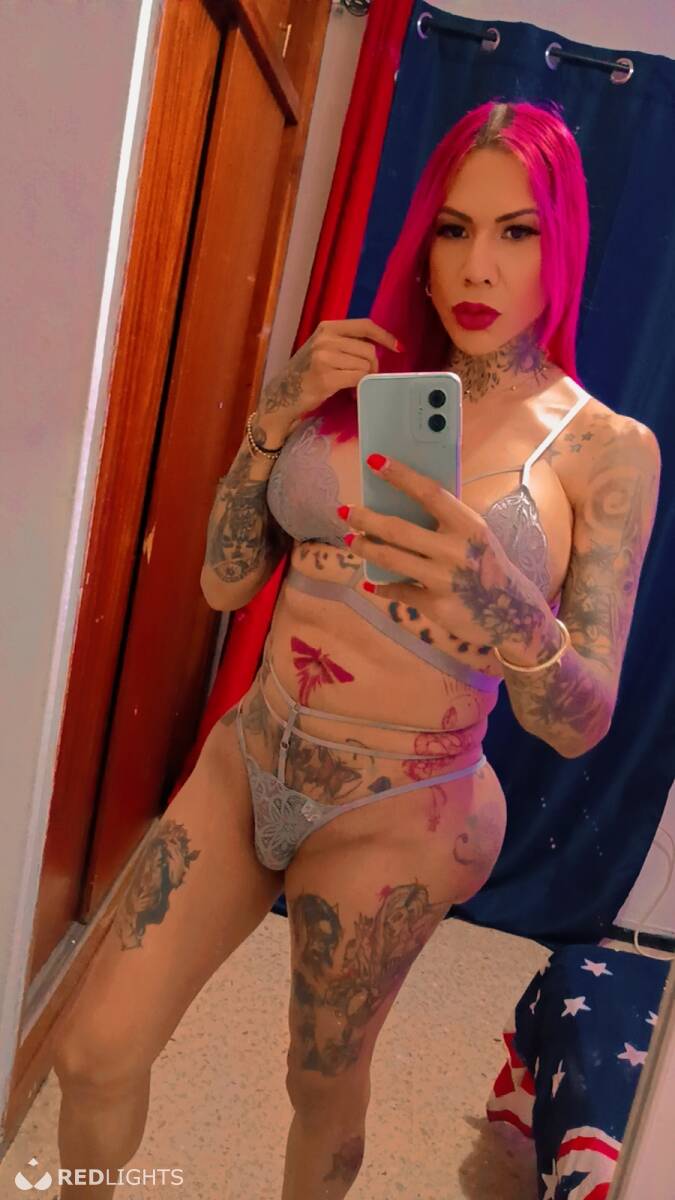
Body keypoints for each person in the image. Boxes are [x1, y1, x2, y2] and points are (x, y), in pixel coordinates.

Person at [52, 99, 660, 1199]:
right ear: (421, 242)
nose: (478, 265)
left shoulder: (603, 449)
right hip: (252, 758)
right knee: (92, 1050)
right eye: (453, 228)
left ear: (562, 243)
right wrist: (276, 412)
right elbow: (224, 582)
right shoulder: (354, 379)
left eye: (517, 231)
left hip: (403, 806)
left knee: (320, 1087)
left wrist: (507, 607)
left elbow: (581, 720)